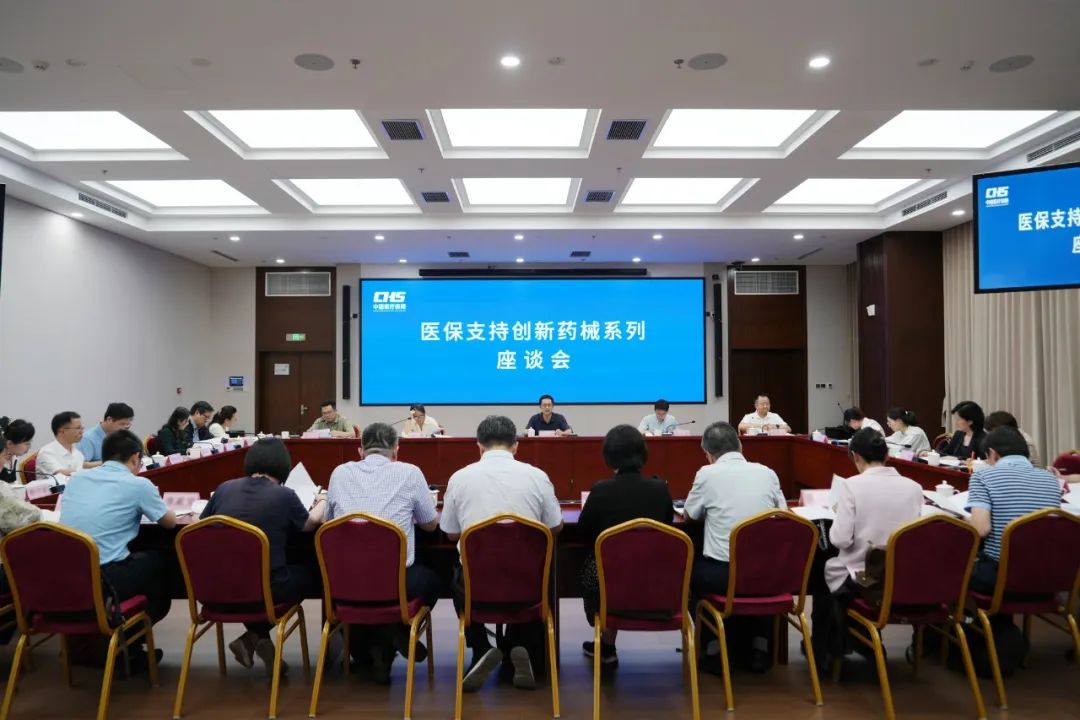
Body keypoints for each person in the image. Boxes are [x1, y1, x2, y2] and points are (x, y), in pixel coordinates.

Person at [441, 415, 563, 693]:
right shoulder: (537, 476)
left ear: (479, 446)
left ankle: (481, 647)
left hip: (476, 586)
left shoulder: (460, 478)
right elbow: (555, 526)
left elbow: (450, 533)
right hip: (528, 585)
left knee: (455, 575)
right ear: (516, 446)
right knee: (541, 572)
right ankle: (520, 645)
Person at [200, 438, 326, 675]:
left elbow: (202, 525)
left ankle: (255, 639)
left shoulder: (224, 489)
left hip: (215, 589)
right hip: (263, 592)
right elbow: (309, 525)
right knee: (311, 571)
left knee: (251, 578)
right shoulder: (284, 495)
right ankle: (253, 637)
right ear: (283, 466)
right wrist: (322, 501)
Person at [326, 422, 440, 683]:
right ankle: (393, 633)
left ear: (360, 450)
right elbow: (430, 525)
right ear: (396, 450)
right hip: (395, 582)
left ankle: (380, 648)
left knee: (362, 591)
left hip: (346, 582)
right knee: (434, 579)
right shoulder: (410, 473)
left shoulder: (339, 473)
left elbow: (329, 523)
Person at [60, 430, 175, 665]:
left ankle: (98, 642)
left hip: (68, 576)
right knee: (163, 566)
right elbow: (170, 522)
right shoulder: (138, 484)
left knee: (142, 561)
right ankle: (124, 644)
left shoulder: (77, 480)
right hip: (106, 577)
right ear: (135, 458)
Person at [810, 429, 923, 669]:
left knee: (823, 575)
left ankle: (827, 651)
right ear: (888, 455)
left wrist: (840, 514)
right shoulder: (914, 487)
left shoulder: (851, 486)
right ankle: (858, 641)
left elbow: (840, 540)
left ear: (856, 456)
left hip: (864, 578)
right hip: (904, 577)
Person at [684, 421, 787, 673]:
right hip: (768, 574)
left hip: (724, 576)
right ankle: (760, 647)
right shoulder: (767, 472)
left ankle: (713, 650)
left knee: (689, 574)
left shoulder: (707, 474)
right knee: (757, 573)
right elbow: (783, 515)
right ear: (740, 446)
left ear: (708, 454)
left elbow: (690, 515)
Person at [578, 425, 674, 666]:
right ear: (643, 454)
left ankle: (606, 642)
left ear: (608, 456)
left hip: (608, 583)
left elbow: (582, 532)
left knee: (603, 564)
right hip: (658, 581)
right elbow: (668, 527)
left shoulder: (601, 490)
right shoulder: (660, 489)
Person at [967, 427, 1062, 597]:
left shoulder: (982, 477)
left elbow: (981, 530)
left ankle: (964, 613)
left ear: (992, 453)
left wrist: (966, 519)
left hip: (1002, 577)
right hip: (1048, 577)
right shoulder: (1051, 478)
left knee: (950, 566)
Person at [77, 402, 135, 467]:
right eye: (122, 424)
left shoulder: (119, 435)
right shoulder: (87, 438)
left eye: (127, 424)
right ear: (109, 419)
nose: (125, 428)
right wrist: (111, 462)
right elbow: (81, 465)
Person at [35, 411, 85, 482]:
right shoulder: (46, 453)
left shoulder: (79, 454)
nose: (81, 431)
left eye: (81, 428)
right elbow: (62, 476)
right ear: (62, 431)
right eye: (78, 428)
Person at [0, 418, 34, 484]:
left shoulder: (13, 458)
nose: (30, 447)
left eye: (30, 442)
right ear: (9, 444)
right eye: (27, 443)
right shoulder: (1, 460)